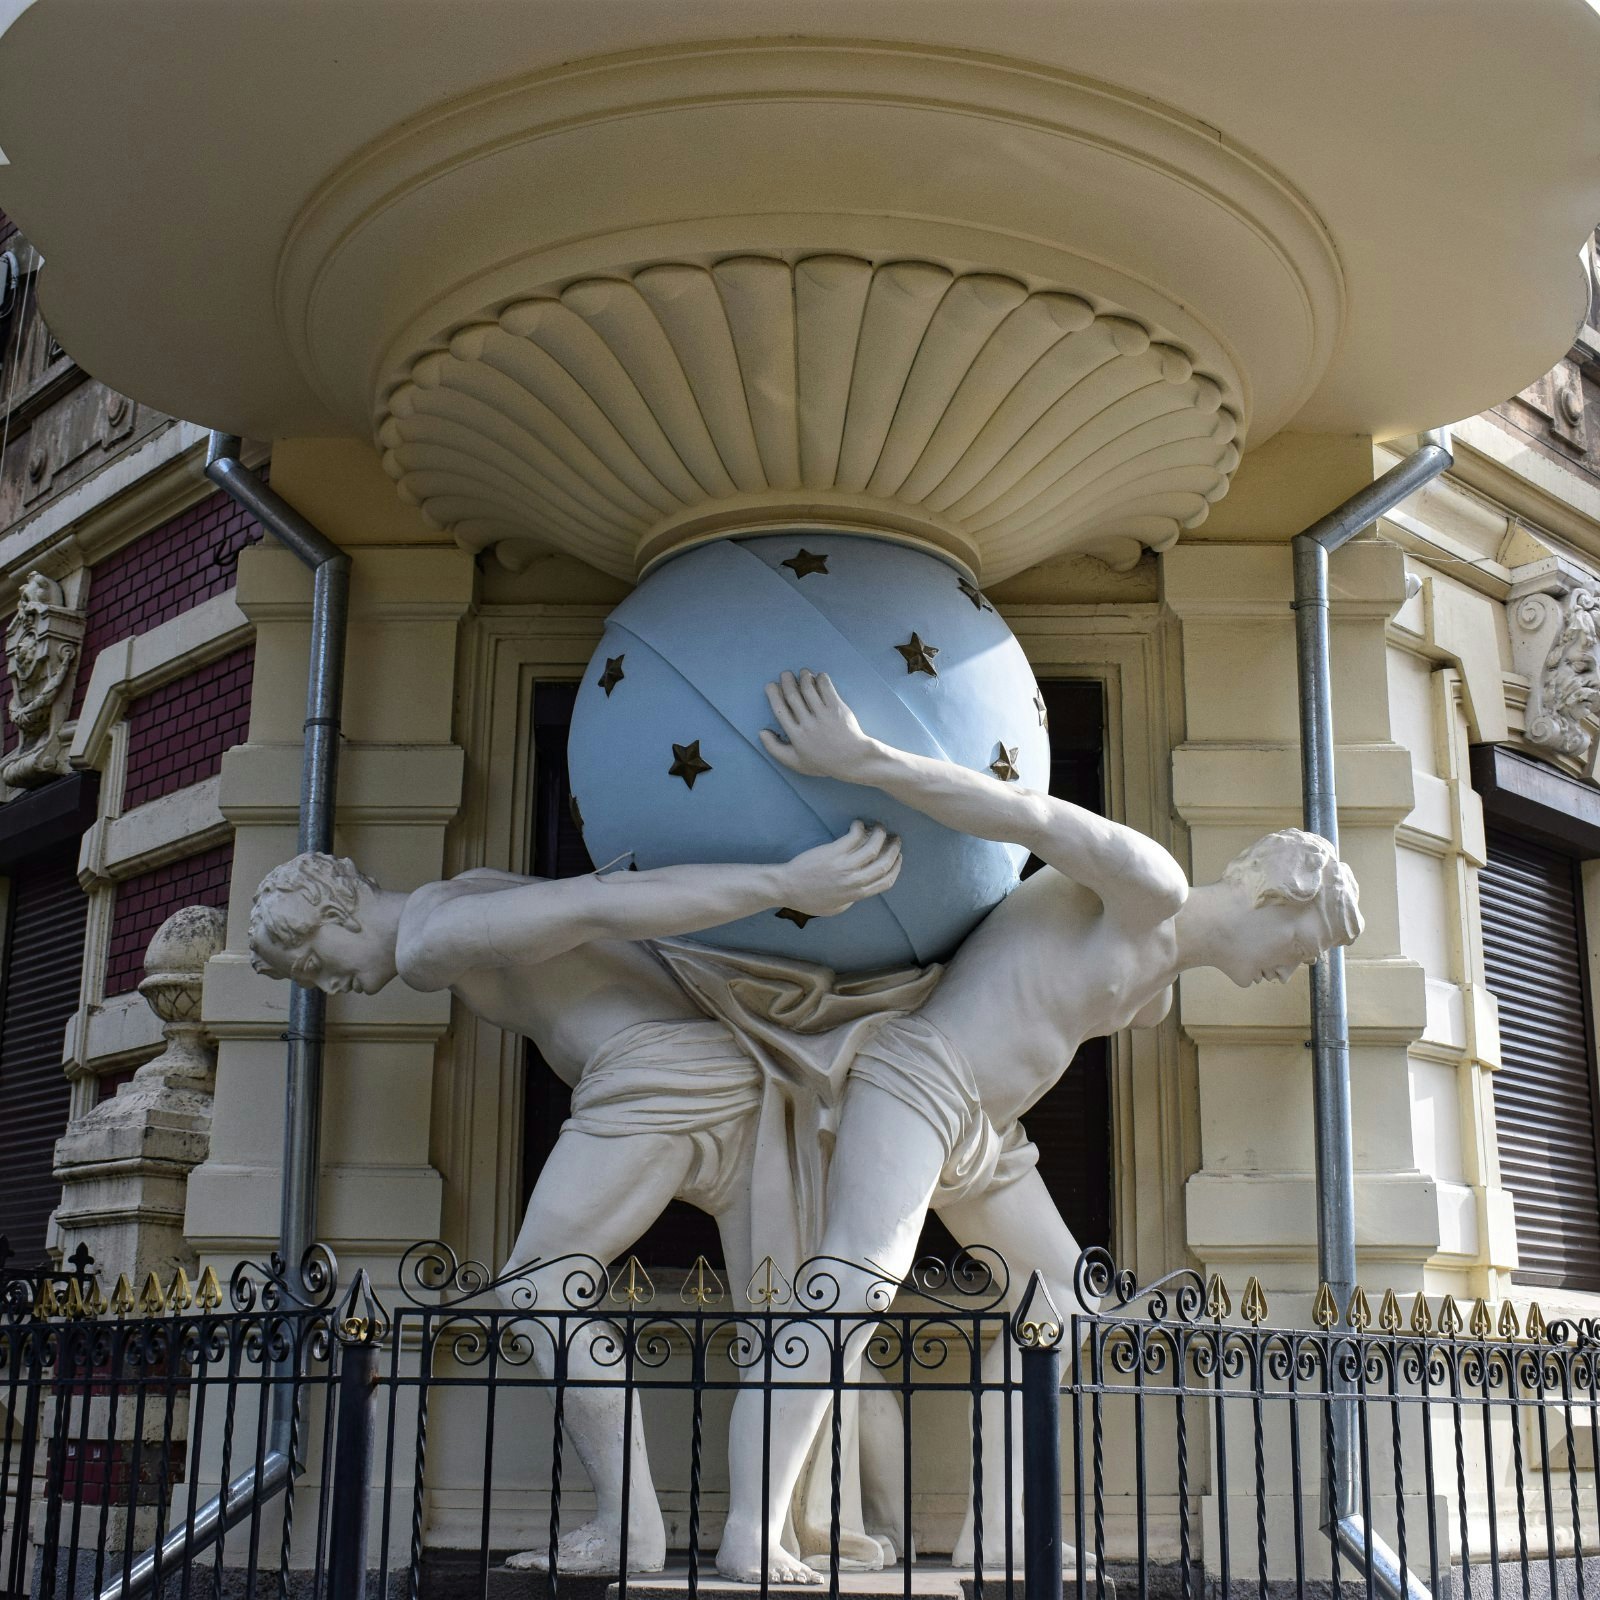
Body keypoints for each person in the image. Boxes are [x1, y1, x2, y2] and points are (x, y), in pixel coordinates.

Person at [713, 670, 1364, 1585]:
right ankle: (750, 1529)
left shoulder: (1156, 988)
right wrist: (862, 758)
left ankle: (1000, 1531)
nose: (1286, 972)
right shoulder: (1150, 885)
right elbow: (1018, 814)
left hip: (986, 1132)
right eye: (1300, 948)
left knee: (1060, 1303)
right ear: (1274, 897)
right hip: (922, 1081)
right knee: (847, 1293)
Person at [248, 822, 902, 1575]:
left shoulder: (430, 936)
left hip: (653, 1081)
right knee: (796, 1318)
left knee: (538, 1287)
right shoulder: (463, 892)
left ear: (338, 913)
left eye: (312, 963)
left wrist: (790, 883)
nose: (328, 988)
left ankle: (631, 1528)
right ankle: (850, 1528)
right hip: (723, 1071)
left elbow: (605, 903)